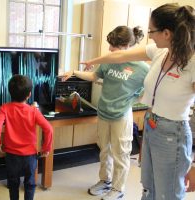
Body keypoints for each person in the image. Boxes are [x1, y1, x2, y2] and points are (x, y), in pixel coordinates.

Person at [80, 3, 195, 200]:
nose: (149, 35)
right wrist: (94, 61)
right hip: (152, 124)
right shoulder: (159, 51)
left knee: (168, 194)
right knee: (148, 187)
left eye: (152, 31)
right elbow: (120, 55)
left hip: (173, 132)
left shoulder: (192, 63)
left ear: (167, 33)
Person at [61, 25, 149, 200]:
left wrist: (131, 101)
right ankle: (105, 181)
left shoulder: (142, 68)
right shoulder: (109, 60)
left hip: (121, 116)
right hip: (104, 113)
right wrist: (73, 72)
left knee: (121, 153)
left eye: (113, 46)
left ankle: (118, 188)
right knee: (104, 150)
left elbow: (148, 90)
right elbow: (94, 76)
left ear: (126, 47)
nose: (109, 49)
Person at [0, 74, 53, 200]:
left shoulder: (4, 108)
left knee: (13, 184)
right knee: (30, 184)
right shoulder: (33, 111)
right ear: (29, 94)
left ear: (10, 92)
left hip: (11, 156)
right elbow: (48, 129)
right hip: (30, 156)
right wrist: (46, 148)